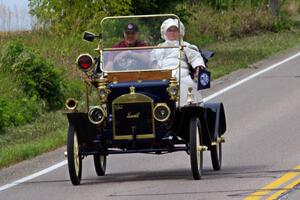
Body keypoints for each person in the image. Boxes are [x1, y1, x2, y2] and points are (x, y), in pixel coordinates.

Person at [151, 18, 206, 106]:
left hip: (182, 74)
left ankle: (191, 108)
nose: (172, 33)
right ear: (165, 32)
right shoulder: (159, 47)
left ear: (179, 32)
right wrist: (154, 65)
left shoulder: (185, 45)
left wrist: (198, 67)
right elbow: (151, 59)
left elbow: (195, 57)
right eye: (170, 30)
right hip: (163, 75)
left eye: (175, 30)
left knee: (189, 86)